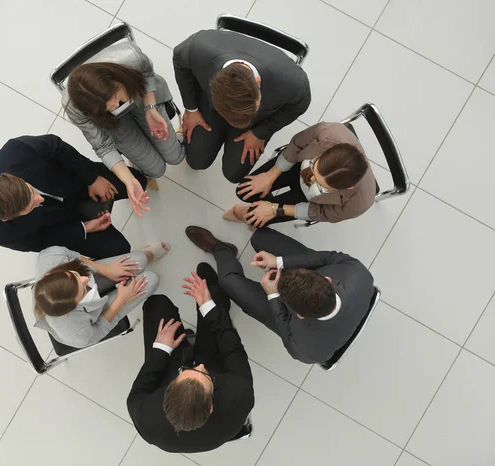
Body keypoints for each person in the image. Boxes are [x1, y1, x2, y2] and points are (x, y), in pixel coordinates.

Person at [185, 226, 374, 364]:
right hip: (335, 299)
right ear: (327, 279)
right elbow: (327, 258)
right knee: (260, 236)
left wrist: (273, 296)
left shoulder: (306, 350)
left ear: (299, 314)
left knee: (227, 280)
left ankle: (220, 249)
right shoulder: (359, 275)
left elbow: (283, 324)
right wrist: (279, 261)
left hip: (283, 317)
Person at [126, 263, 254, 453]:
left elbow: (146, 381)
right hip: (219, 379)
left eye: (190, 371)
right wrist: (208, 308)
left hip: (173, 371)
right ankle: (215, 300)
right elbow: (233, 350)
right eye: (205, 374)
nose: (200, 365)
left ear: (168, 389)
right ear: (211, 406)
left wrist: (161, 349)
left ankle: (184, 351)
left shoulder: (144, 415)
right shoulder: (240, 394)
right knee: (212, 293)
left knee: (156, 305)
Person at [173, 29, 311, 183]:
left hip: (255, 123)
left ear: (257, 82)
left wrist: (261, 132)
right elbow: (179, 61)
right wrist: (191, 109)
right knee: (196, 161)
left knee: (234, 174)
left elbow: (300, 105)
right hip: (212, 106)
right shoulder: (196, 49)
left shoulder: (292, 83)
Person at [0, 134, 146, 258]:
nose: (40, 199)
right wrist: (85, 228)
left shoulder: (14, 151)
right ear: (7, 219)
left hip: (77, 181)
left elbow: (57, 147)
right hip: (63, 224)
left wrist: (92, 179)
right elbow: (43, 241)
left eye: (31, 191)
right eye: (31, 206)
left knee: (137, 181)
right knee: (120, 250)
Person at [63, 40, 184, 203]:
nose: (115, 106)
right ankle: (137, 161)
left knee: (175, 156)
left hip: (139, 94)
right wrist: (128, 180)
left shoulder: (131, 58)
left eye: (113, 97)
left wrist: (151, 108)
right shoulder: (74, 107)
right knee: (156, 169)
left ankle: (171, 137)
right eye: (106, 106)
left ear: (115, 77)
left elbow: (147, 74)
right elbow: (102, 145)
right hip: (110, 123)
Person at [224, 122, 376, 228]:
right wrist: (270, 175)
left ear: (348, 187)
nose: (310, 180)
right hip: (296, 166)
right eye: (314, 168)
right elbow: (297, 144)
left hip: (314, 201)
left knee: (253, 218)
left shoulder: (359, 203)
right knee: (243, 191)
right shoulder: (327, 133)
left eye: (322, 186)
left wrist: (275, 209)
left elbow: (321, 213)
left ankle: (250, 214)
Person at [33, 243, 168, 348]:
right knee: (151, 280)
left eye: (75, 275)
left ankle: (147, 255)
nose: (85, 280)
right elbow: (97, 330)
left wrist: (105, 270)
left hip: (81, 278)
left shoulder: (50, 257)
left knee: (139, 259)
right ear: (70, 310)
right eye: (83, 291)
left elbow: (73, 256)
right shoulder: (75, 333)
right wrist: (121, 300)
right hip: (94, 318)